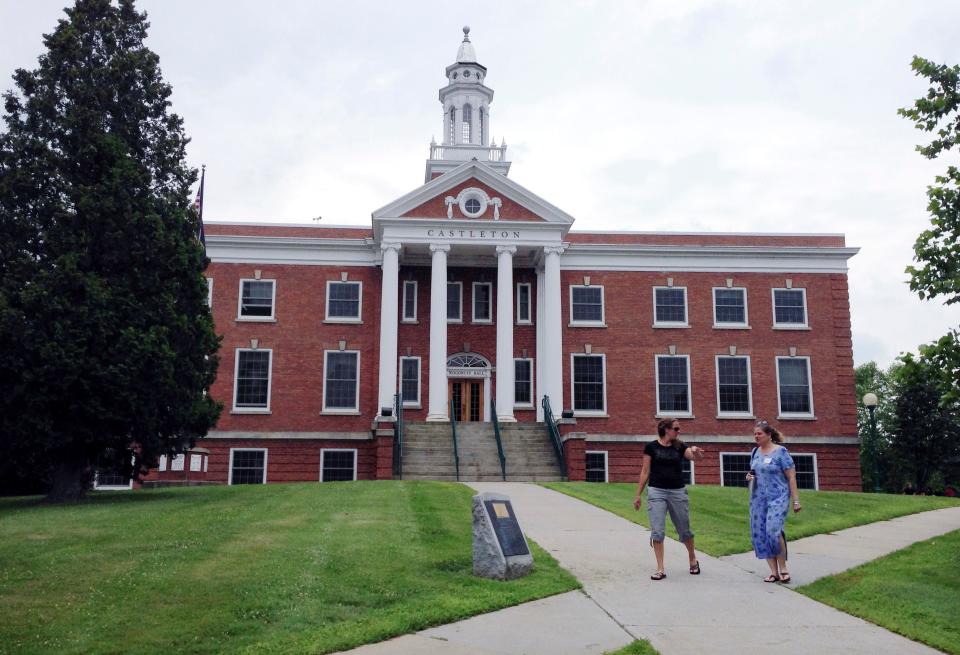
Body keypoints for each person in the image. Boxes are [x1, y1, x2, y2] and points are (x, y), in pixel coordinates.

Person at [633, 418, 705, 580]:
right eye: (676, 429)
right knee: (657, 531)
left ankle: (692, 558)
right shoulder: (651, 447)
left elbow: (691, 456)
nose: (678, 432)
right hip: (656, 492)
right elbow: (645, 471)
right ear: (666, 429)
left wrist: (695, 452)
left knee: (684, 529)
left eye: (678, 429)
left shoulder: (680, 446)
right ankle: (660, 568)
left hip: (677, 492)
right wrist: (638, 494)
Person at [745, 420, 801, 583]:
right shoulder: (755, 452)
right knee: (761, 534)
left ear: (769, 435)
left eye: (759, 434)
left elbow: (791, 476)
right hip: (758, 499)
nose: (756, 436)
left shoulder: (781, 452)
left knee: (773, 531)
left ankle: (783, 569)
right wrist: (749, 477)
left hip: (778, 497)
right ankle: (773, 572)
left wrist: (795, 500)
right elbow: (754, 472)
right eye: (755, 434)